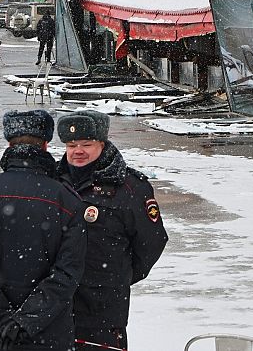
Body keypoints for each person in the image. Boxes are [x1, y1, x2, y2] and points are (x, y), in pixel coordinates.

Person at [0, 110, 87, 351]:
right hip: (48, 334)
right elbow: (67, 272)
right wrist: (26, 321)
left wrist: (1, 318)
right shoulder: (67, 200)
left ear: (9, 145)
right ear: (45, 145)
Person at [56, 110, 168, 350]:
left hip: (103, 309)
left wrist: (117, 276)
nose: (78, 151)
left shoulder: (130, 188)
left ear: (102, 143)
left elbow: (151, 242)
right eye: (72, 145)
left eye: (86, 144)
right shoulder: (53, 182)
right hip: (55, 304)